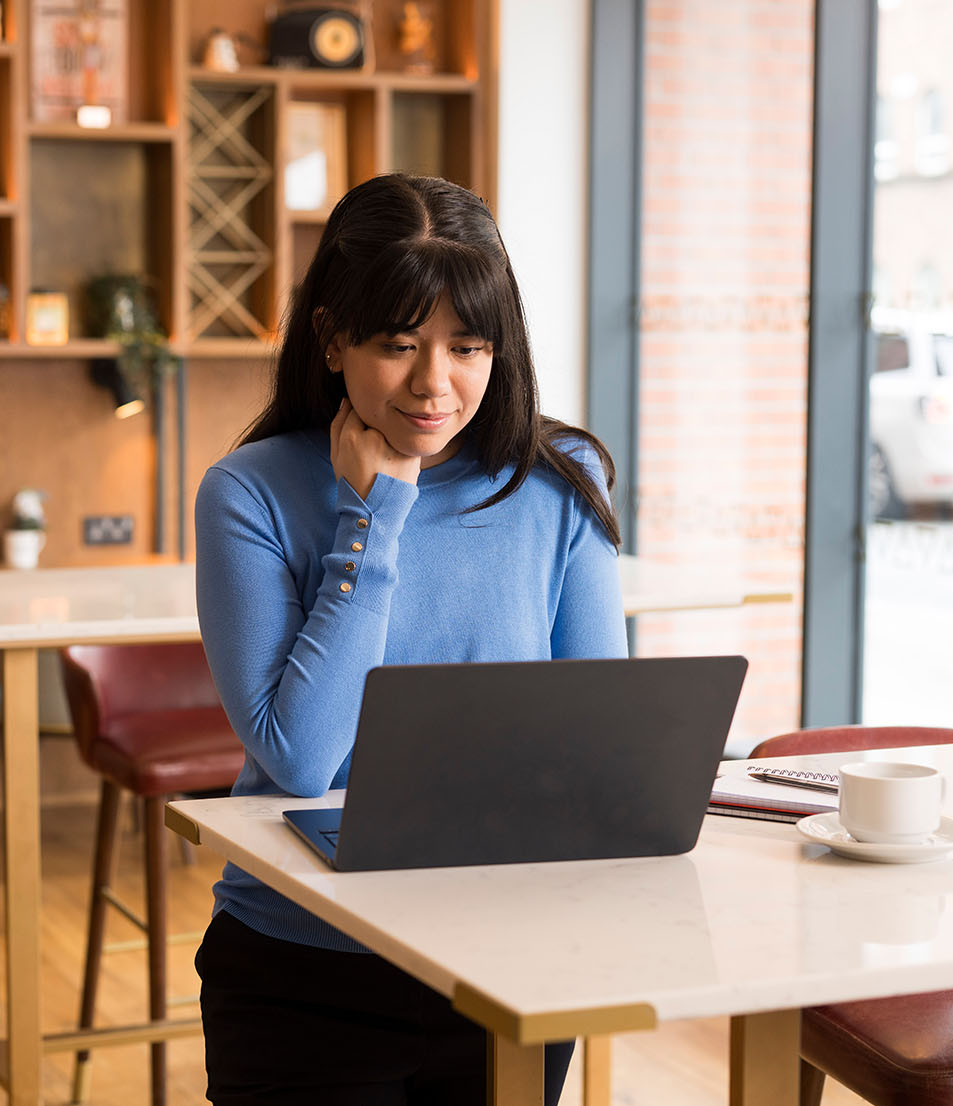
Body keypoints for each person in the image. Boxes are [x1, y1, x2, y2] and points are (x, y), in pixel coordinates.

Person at [193, 173, 627, 1105]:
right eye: (399, 346)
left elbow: (598, 739)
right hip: (306, 966)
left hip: (505, 957)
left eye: (468, 347)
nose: (436, 384)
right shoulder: (249, 492)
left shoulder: (561, 480)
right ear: (334, 339)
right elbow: (304, 758)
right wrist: (377, 515)